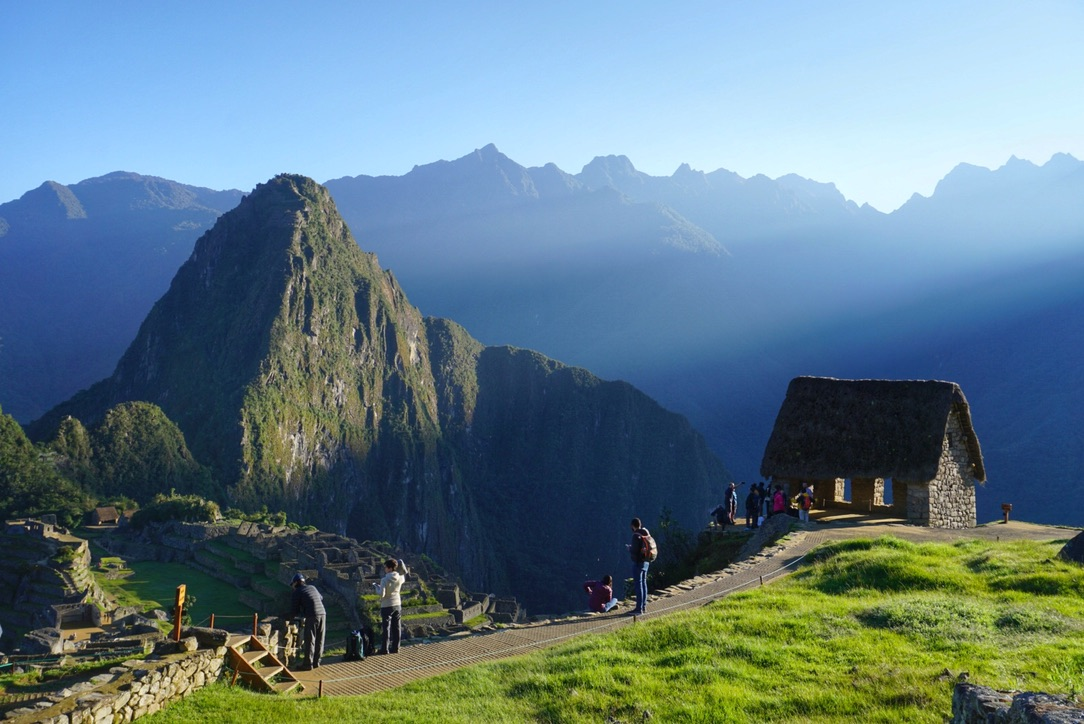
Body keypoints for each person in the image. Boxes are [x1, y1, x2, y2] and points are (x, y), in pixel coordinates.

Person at [289, 573, 326, 670]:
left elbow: (294, 610)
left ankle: (307, 664)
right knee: (320, 639)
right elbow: (321, 598)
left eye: (292, 584)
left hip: (312, 615)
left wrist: (290, 619)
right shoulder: (312, 587)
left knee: (310, 639)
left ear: (296, 583)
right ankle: (316, 662)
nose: (292, 587)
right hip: (322, 613)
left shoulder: (297, 592)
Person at [374, 558, 406, 654]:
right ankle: (396, 648)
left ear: (389, 568)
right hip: (397, 604)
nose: (385, 569)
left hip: (386, 605)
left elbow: (382, 594)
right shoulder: (400, 578)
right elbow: (404, 574)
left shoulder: (384, 579)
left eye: (386, 567)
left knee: (386, 628)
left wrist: (376, 587)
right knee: (396, 627)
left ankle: (385, 649)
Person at [627, 517, 651, 615]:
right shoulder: (646, 532)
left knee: (638, 585)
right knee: (644, 583)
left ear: (633, 526)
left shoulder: (636, 535)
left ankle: (638, 609)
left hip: (638, 562)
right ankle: (643, 606)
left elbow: (635, 550)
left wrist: (629, 548)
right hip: (646, 561)